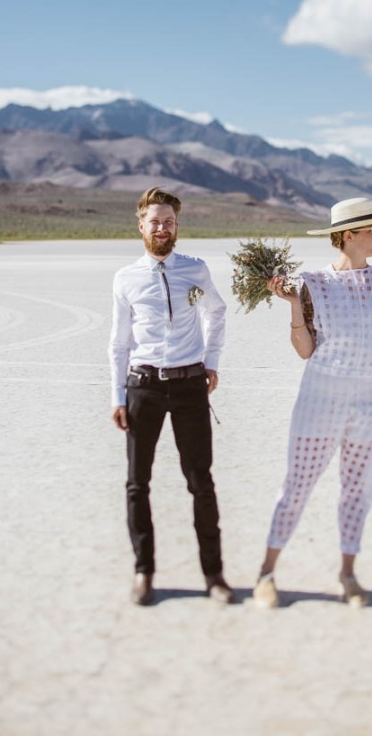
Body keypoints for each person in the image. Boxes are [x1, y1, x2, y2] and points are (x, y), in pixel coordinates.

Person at [253, 197, 372, 608]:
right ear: (347, 235)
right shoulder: (313, 283)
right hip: (321, 397)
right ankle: (266, 573)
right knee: (297, 485)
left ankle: (348, 574)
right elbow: (304, 349)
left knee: (359, 487)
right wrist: (292, 308)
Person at [109, 186, 233, 606]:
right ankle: (143, 573)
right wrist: (117, 395)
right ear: (141, 225)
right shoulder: (125, 278)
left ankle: (214, 576)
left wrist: (211, 360)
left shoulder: (195, 270)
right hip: (142, 385)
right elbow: (118, 342)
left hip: (188, 386)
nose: (162, 228)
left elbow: (216, 310)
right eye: (155, 221)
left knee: (201, 482)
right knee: (136, 484)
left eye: (169, 222)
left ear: (177, 226)